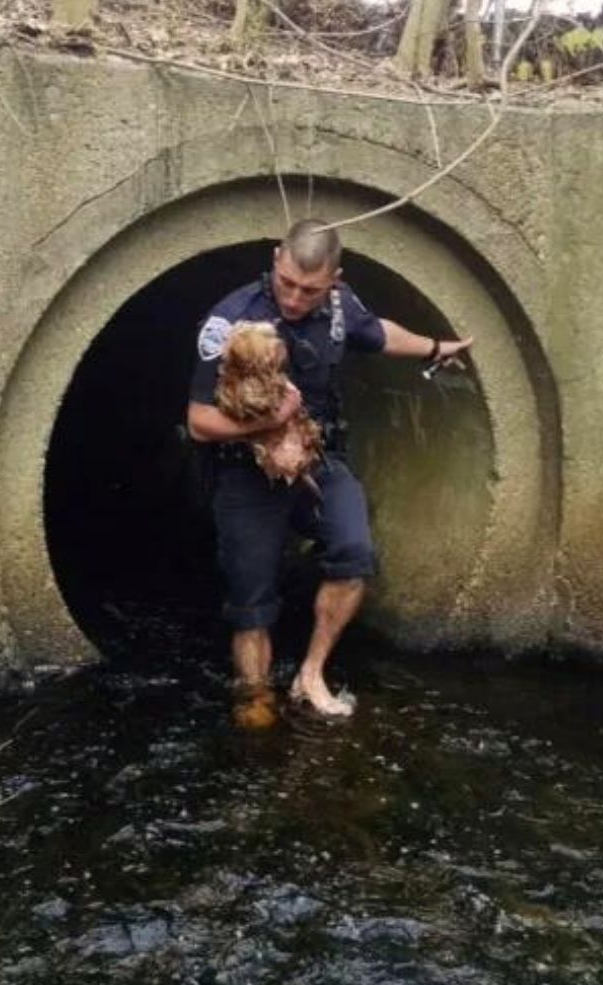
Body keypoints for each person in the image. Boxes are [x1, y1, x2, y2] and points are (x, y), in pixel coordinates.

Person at [186, 219, 471, 724]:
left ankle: (310, 674)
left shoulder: (339, 306)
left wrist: (434, 347)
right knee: (252, 597)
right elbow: (200, 423)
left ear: (334, 279)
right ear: (277, 259)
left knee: (355, 551)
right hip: (245, 467)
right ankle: (254, 695)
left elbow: (377, 332)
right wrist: (271, 422)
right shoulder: (231, 322)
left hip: (318, 455)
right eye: (288, 283)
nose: (296, 299)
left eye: (311, 290)